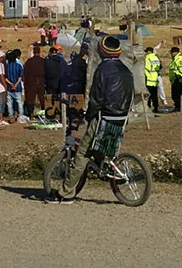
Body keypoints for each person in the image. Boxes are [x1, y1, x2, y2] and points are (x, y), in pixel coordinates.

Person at [47, 36, 134, 204]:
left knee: (82, 154)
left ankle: (66, 193)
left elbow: (96, 98)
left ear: (101, 51)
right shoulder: (126, 69)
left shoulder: (102, 69)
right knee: (104, 146)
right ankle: (104, 165)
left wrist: (88, 115)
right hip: (121, 116)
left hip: (103, 117)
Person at [24, 45, 46, 117]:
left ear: (33, 52)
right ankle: (44, 111)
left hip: (31, 82)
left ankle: (30, 113)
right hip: (41, 81)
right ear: (39, 52)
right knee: (42, 97)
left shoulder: (29, 62)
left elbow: (25, 72)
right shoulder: (43, 61)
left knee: (30, 98)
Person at [5, 50, 24, 119]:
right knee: (19, 102)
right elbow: (20, 77)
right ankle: (21, 115)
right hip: (17, 87)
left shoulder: (6, 67)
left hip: (9, 87)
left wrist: (10, 84)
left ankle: (10, 115)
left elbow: (5, 77)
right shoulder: (18, 65)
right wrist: (15, 85)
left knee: (9, 103)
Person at [168, 47, 182, 112]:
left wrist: (180, 76)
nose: (171, 54)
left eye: (172, 52)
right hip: (174, 80)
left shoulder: (179, 59)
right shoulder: (174, 59)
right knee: (174, 94)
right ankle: (178, 106)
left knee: (178, 94)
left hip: (178, 79)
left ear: (175, 52)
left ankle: (180, 107)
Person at [144, 46, 161, 113]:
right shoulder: (156, 58)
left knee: (148, 95)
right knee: (155, 95)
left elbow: (146, 68)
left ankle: (148, 107)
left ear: (148, 52)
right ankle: (156, 107)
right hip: (155, 79)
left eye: (146, 52)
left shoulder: (147, 58)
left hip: (149, 80)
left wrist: (146, 76)